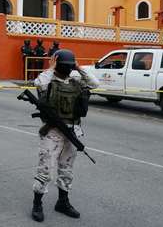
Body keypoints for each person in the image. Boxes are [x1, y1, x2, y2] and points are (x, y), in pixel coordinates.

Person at [31, 50, 99, 223]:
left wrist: (78, 67)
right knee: (45, 168)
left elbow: (95, 83)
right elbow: (38, 83)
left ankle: (63, 202)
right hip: (53, 131)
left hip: (72, 130)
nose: (68, 69)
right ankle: (37, 203)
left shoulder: (75, 81)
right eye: (66, 66)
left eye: (70, 66)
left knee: (66, 168)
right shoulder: (48, 81)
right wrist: (51, 68)